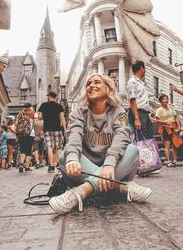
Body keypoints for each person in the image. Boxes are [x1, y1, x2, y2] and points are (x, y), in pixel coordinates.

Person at [49, 74, 152, 215]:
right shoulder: (78, 112)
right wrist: (72, 157)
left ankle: (81, 192)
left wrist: (109, 163)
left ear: (108, 88)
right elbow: (74, 135)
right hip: (85, 169)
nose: (91, 85)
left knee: (132, 150)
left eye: (97, 82)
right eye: (89, 83)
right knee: (64, 157)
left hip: (114, 167)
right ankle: (121, 187)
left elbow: (122, 136)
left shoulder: (119, 112)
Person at [38, 91, 67, 173]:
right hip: (57, 129)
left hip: (47, 129)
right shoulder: (59, 105)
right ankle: (60, 166)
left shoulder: (44, 105)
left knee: (49, 148)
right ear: (55, 97)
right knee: (58, 147)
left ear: (49, 96)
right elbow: (62, 118)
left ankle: (51, 167)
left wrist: (45, 115)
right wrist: (65, 129)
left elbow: (39, 117)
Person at [126, 61, 153, 141]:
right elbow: (132, 100)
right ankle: (141, 153)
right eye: (145, 68)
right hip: (138, 113)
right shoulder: (132, 82)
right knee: (141, 138)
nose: (145, 71)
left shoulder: (141, 83)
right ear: (141, 68)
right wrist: (137, 118)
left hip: (144, 113)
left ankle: (148, 153)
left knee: (148, 137)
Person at [155, 94, 183, 167]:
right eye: (164, 99)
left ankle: (175, 160)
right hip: (165, 128)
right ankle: (168, 161)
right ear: (161, 101)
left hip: (173, 128)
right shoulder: (159, 110)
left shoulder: (171, 108)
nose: (166, 100)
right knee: (167, 145)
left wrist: (179, 127)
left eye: (167, 99)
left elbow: (176, 118)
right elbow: (157, 121)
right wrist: (165, 122)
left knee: (175, 144)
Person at [16, 103, 35, 173]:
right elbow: (35, 124)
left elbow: (16, 123)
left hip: (21, 134)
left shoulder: (20, 114)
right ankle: (27, 167)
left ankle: (21, 164)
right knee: (28, 150)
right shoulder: (32, 113)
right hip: (30, 134)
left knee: (22, 149)